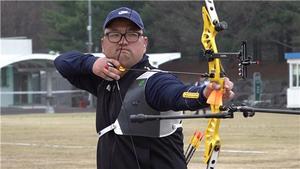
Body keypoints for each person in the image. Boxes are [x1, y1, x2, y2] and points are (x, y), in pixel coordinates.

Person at [54, 7, 234, 169]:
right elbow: (62, 62)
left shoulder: (154, 81)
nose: (123, 41)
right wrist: (92, 63)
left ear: (144, 42)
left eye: (132, 34)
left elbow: (177, 94)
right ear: (103, 43)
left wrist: (204, 93)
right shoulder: (105, 78)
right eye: (114, 35)